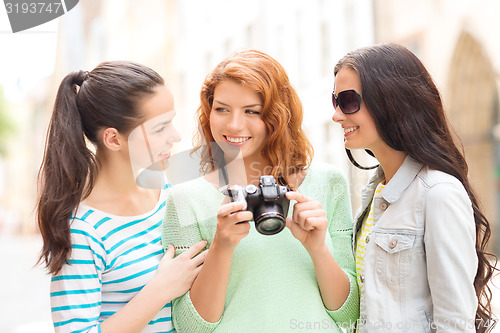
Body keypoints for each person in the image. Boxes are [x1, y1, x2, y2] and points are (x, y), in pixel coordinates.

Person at [162, 49, 359, 332]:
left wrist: (318, 249)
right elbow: (189, 327)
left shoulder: (329, 182)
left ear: (277, 116)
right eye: (221, 109)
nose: (233, 125)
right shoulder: (184, 200)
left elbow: (349, 315)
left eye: (251, 111)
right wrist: (221, 246)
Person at [331, 43, 497, 332]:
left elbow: (454, 323)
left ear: (390, 100)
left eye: (347, 101)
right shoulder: (374, 195)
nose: (337, 115)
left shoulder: (438, 193)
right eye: (335, 101)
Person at [36, 61, 208, 333]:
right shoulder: (84, 230)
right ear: (113, 139)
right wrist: (159, 291)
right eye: (160, 128)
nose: (175, 137)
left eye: (171, 122)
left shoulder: (167, 192)